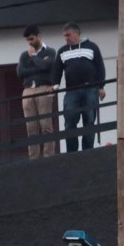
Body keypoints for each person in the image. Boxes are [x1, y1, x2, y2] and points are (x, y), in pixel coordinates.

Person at [51, 22, 106, 152]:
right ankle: (72, 152)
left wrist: (100, 86)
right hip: (71, 91)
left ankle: (88, 151)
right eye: (64, 36)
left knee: (89, 120)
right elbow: (57, 70)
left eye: (68, 35)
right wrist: (55, 86)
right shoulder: (62, 51)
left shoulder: (92, 47)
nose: (66, 38)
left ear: (76, 33)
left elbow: (100, 67)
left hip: (90, 89)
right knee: (70, 121)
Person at [17, 25, 57, 159]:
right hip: (28, 90)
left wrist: (34, 57)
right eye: (27, 40)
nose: (30, 42)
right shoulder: (23, 55)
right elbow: (20, 72)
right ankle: (33, 158)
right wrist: (39, 66)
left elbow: (47, 66)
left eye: (32, 39)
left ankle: (48, 156)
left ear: (39, 36)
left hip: (43, 88)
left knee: (46, 125)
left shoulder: (50, 52)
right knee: (31, 127)